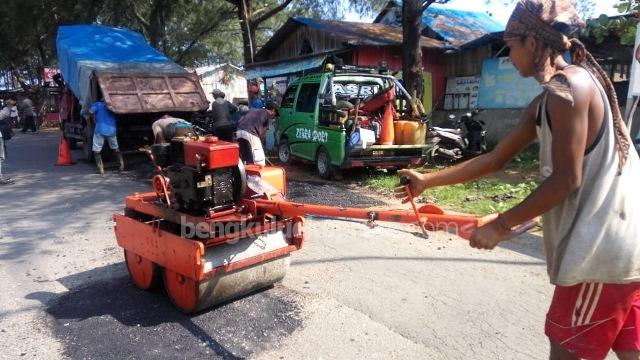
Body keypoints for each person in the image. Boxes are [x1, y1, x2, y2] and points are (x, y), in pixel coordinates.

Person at [395, 1, 640, 359]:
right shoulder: (553, 97)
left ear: (532, 41)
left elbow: (566, 179)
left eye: (510, 44)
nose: (509, 55)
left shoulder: (565, 89)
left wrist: (500, 224)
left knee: (567, 350)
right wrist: (426, 181)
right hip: (626, 248)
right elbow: (495, 158)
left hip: (599, 256)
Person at [235, 101, 278, 166]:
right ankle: (258, 175)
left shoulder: (253, 110)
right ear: (273, 110)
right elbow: (263, 133)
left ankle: (246, 172)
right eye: (275, 114)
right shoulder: (267, 115)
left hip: (238, 131)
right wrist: (260, 143)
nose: (274, 116)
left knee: (246, 156)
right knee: (259, 159)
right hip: (250, 132)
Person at [89, 98, 123, 174]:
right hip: (111, 130)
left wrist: (93, 115)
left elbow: (90, 111)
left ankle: (101, 169)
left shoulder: (97, 104)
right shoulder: (112, 106)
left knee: (97, 151)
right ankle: (121, 166)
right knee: (116, 148)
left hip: (100, 130)